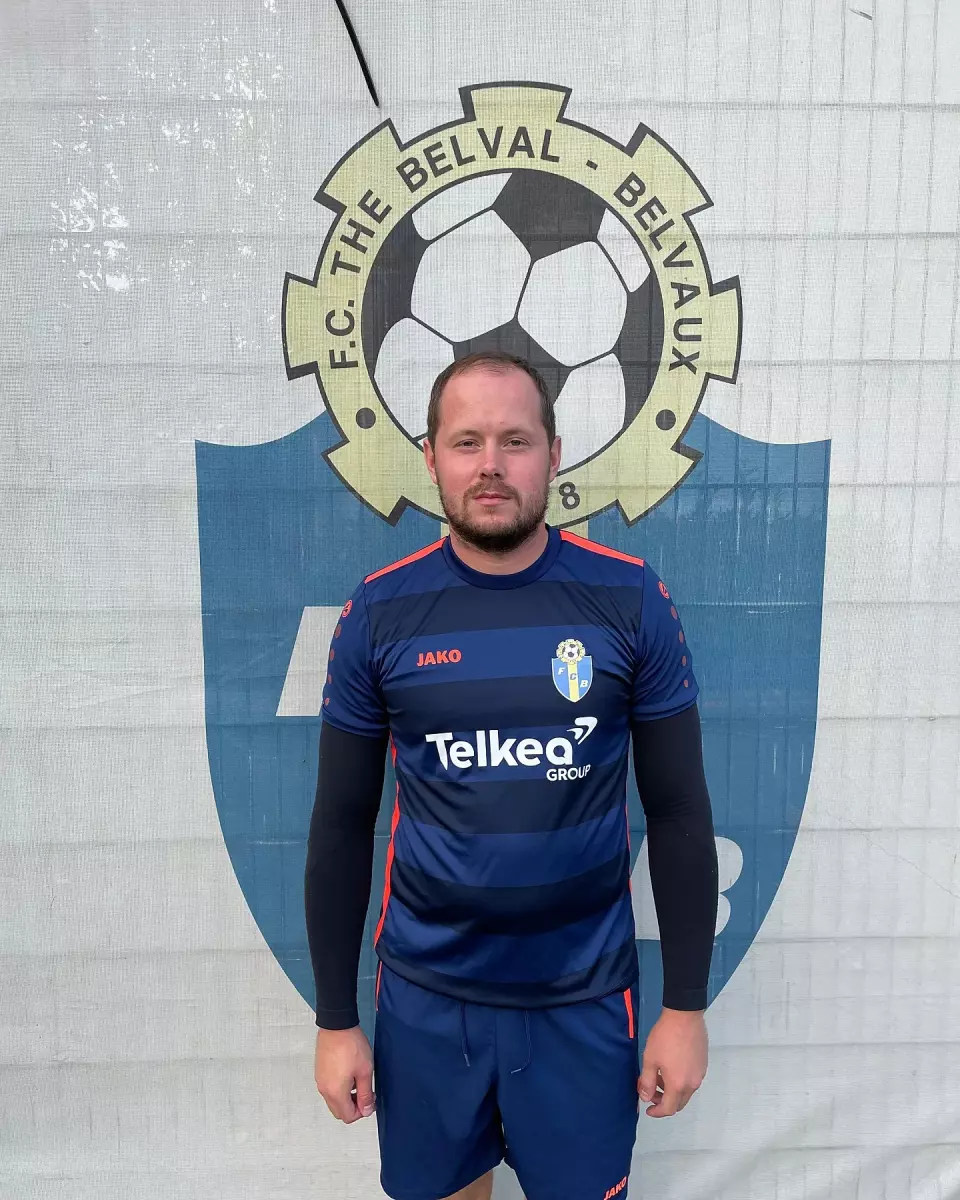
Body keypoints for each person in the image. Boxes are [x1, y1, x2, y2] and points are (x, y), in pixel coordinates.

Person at [304, 351, 719, 1200]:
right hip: (427, 1001)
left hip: (583, 999)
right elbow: (341, 822)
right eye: (467, 442)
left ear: (554, 454)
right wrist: (336, 1021)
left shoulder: (629, 598)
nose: (490, 464)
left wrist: (685, 1007)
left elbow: (678, 809)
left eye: (515, 441)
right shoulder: (378, 611)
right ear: (431, 458)